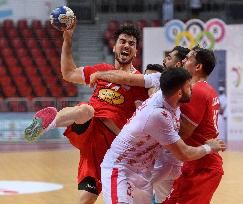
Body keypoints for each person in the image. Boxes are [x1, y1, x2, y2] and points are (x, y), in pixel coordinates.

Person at [24, 24, 149, 204]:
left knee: (86, 200)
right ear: (114, 47)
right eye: (122, 41)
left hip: (111, 148)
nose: (126, 45)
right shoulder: (102, 69)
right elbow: (68, 73)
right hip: (89, 129)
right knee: (86, 109)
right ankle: (48, 123)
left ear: (136, 51)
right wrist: (67, 39)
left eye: (131, 43)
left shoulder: (140, 82)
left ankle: (52, 120)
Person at [89, 46, 224, 204]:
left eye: (187, 58)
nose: (183, 61)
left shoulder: (187, 95)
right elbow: (130, 79)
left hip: (189, 165)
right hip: (128, 167)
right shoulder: (161, 110)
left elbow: (184, 136)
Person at [163, 46, 223, 204]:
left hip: (202, 168)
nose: (183, 61)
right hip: (192, 163)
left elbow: (184, 132)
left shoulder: (197, 91)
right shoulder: (205, 90)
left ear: (198, 67)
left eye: (188, 58)